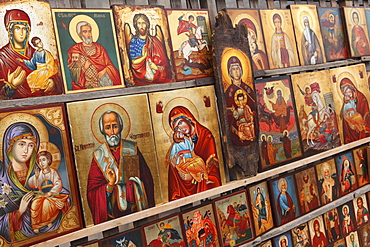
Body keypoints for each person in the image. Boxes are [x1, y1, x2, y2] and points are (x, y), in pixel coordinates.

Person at [0, 123, 70, 242]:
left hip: (54, 232)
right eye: (21, 144)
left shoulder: (40, 171)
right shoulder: (2, 179)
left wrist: (63, 204)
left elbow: (64, 193)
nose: (26, 150)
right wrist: (19, 212)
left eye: (31, 145)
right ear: (10, 146)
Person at [87, 110, 154, 224]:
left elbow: (148, 179)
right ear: (103, 130)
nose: (112, 132)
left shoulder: (132, 148)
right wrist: (110, 185)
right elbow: (92, 193)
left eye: (115, 126)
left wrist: (134, 184)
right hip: (114, 215)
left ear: (121, 127)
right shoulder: (98, 155)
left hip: (135, 208)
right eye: (108, 128)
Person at [0, 9, 62, 99]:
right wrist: (11, 86)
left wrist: (53, 81)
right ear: (10, 31)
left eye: (24, 29)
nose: (21, 33)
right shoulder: (2, 57)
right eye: (17, 28)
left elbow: (56, 74)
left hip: (45, 100)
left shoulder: (37, 53)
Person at [167, 106, 221, 201]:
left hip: (204, 187)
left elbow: (213, 172)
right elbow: (174, 168)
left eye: (180, 122)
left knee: (199, 161)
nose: (180, 128)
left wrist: (192, 177)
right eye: (176, 128)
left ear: (189, 118)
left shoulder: (206, 137)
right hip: (186, 176)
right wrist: (174, 164)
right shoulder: (177, 144)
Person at [67, 21, 121, 90]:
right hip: (86, 86)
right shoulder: (76, 49)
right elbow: (73, 73)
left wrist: (104, 71)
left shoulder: (99, 48)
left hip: (102, 81)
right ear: (80, 34)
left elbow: (109, 65)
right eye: (85, 32)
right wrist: (85, 68)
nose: (88, 34)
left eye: (89, 31)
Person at [27, 151, 69, 233]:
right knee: (35, 204)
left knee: (46, 203)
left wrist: (51, 192)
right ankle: (36, 225)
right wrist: (36, 177)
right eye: (39, 160)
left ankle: (47, 222)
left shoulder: (53, 172)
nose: (41, 163)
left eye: (43, 160)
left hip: (52, 196)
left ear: (48, 160)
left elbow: (58, 183)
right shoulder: (39, 174)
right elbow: (33, 184)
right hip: (42, 195)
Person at [125, 13, 172, 85]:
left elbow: (165, 63)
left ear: (147, 25)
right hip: (140, 78)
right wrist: (144, 57)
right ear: (135, 25)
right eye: (139, 23)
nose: (141, 26)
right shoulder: (134, 41)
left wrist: (156, 67)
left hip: (158, 78)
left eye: (143, 23)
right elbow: (134, 62)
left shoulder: (154, 41)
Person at [225, 56, 256, 145]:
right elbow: (228, 118)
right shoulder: (229, 92)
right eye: (233, 69)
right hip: (238, 131)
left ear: (241, 70)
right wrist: (237, 132)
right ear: (230, 72)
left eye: (238, 69)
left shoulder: (248, 89)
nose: (236, 72)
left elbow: (254, 109)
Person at [339, 77, 370, 143]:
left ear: (352, 89)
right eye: (345, 94)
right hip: (350, 125)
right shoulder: (346, 101)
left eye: (349, 93)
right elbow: (342, 114)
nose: (348, 95)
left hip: (359, 122)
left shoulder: (361, 97)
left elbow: (366, 112)